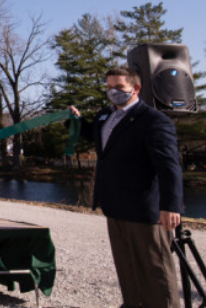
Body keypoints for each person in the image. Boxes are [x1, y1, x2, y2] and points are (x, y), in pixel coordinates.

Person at [69, 65, 182, 308]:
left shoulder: (153, 121)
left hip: (144, 210)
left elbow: (169, 167)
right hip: (115, 206)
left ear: (135, 88)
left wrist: (171, 206)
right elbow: (97, 136)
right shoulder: (105, 116)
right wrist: (77, 122)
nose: (113, 92)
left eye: (119, 87)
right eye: (109, 87)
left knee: (155, 270)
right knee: (127, 267)